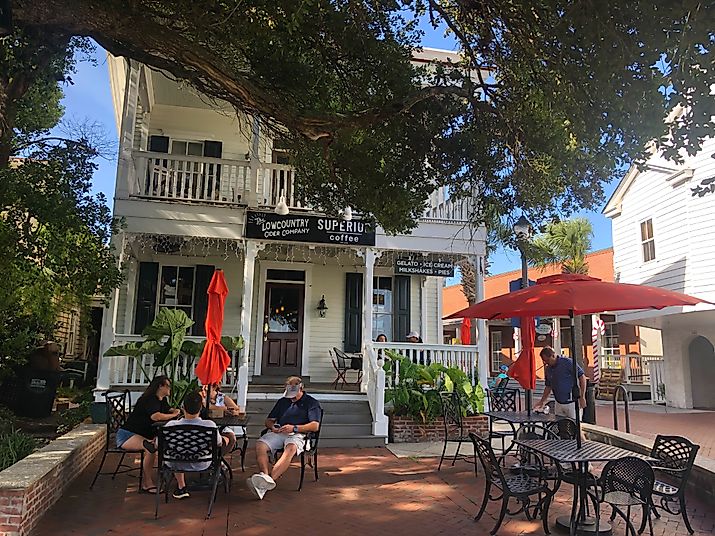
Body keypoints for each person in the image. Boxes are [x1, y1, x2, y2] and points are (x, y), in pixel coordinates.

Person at [246, 376, 321, 500]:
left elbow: (315, 426)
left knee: (290, 448)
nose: (291, 398)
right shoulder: (283, 401)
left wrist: (295, 428)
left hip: (299, 434)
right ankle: (265, 476)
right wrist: (273, 427)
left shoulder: (311, 403)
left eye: (294, 394)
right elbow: (268, 421)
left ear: (301, 388)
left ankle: (266, 483)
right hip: (280, 431)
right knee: (260, 445)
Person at [116, 375, 180, 494]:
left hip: (143, 434)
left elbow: (169, 409)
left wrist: (175, 411)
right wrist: (173, 415)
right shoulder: (149, 399)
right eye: (168, 386)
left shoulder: (161, 400)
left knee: (166, 443)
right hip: (127, 435)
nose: (170, 388)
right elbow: (156, 416)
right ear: (160, 386)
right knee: (150, 448)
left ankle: (173, 475)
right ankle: (147, 483)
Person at [164, 390, 227, 500]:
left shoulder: (170, 425)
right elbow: (219, 443)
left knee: (174, 451)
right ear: (201, 408)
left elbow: (158, 445)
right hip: (201, 463)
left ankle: (181, 486)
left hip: (176, 463)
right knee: (222, 440)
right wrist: (226, 439)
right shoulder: (209, 425)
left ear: (183, 407)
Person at [534, 346, 587, 419]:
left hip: (572, 402)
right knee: (560, 425)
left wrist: (582, 396)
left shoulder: (567, 362)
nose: (546, 363)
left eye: (548, 360)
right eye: (544, 361)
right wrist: (542, 401)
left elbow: (582, 377)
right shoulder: (548, 369)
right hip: (558, 402)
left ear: (553, 356)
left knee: (574, 425)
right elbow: (548, 386)